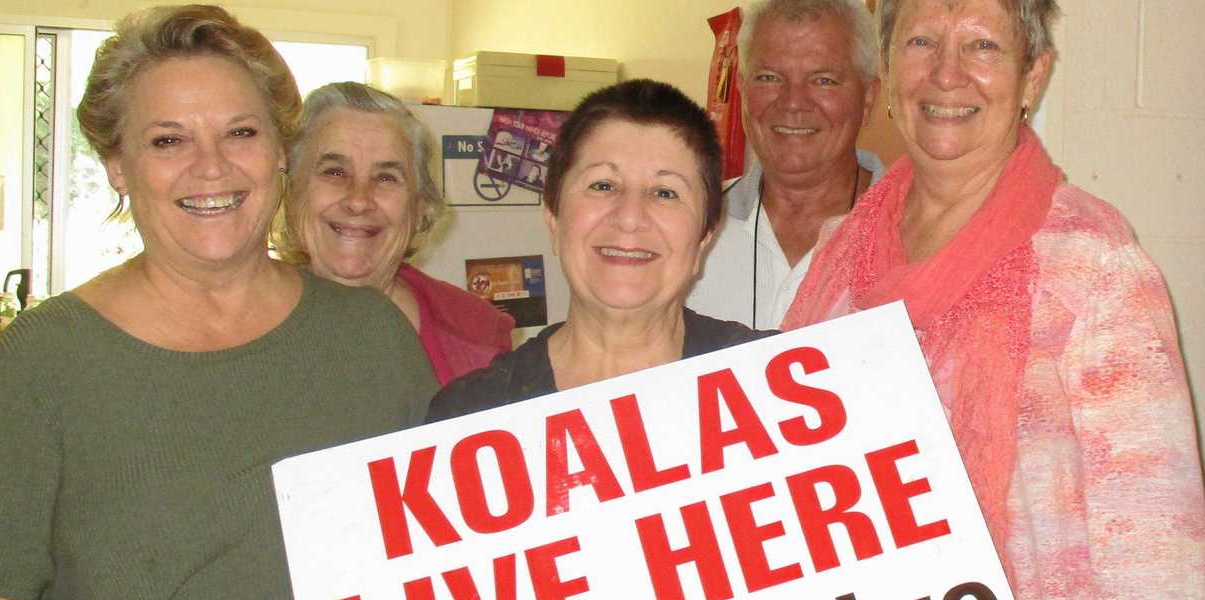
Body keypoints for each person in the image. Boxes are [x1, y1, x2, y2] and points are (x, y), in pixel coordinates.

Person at [0, 7, 436, 600]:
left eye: (241, 133)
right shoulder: (47, 360)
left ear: (279, 151)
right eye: (169, 140)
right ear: (116, 167)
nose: (212, 167)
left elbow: (448, 561)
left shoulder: (371, 339)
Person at [782, 1, 1205, 600]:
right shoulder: (837, 257)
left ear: (1033, 76)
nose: (947, 74)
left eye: (982, 45)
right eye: (920, 42)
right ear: (886, 72)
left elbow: (1157, 583)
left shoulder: (1092, 266)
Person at [428, 80, 773, 422]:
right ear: (553, 215)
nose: (629, 218)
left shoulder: (772, 385)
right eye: (603, 185)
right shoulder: (467, 418)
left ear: (704, 237)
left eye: (665, 192)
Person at [275, 82, 513, 386]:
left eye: (386, 177)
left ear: (419, 209)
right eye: (334, 172)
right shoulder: (234, 330)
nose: (359, 200)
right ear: (293, 192)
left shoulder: (478, 339)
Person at [688, 0, 885, 329]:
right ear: (742, 88)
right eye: (769, 77)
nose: (793, 102)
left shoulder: (923, 237)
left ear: (868, 99)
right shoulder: (684, 231)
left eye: (823, 80)